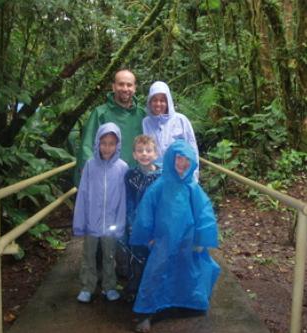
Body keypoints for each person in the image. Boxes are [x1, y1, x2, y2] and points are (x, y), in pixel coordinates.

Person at [129, 139, 221, 332]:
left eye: (186, 160)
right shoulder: (159, 186)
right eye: (178, 158)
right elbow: (146, 212)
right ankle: (146, 312)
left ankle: (186, 303)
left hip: (187, 240)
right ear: (171, 159)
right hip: (163, 240)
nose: (182, 163)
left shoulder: (192, 187)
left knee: (188, 270)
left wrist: (201, 240)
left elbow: (204, 213)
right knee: (156, 272)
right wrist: (147, 236)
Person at [73, 122, 128, 303]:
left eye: (112, 143)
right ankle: (87, 286)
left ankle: (109, 286)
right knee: (88, 256)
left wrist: (120, 224)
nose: (107, 147)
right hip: (92, 223)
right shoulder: (90, 165)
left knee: (109, 256)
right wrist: (81, 222)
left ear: (117, 145)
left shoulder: (122, 167)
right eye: (103, 143)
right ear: (97, 143)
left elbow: (123, 199)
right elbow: (82, 194)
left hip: (111, 225)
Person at [77, 69, 146, 174]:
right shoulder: (100, 113)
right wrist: (87, 169)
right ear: (113, 87)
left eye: (129, 85)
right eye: (121, 84)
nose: (125, 88)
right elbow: (87, 145)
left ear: (135, 88)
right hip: (106, 175)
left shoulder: (142, 114)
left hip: (135, 176)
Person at [122, 135, 162, 302]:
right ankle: (135, 288)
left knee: (154, 259)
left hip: (154, 226)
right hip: (137, 224)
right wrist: (131, 222)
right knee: (135, 256)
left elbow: (163, 204)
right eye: (140, 151)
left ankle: (154, 291)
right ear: (134, 154)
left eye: (148, 150)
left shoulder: (161, 177)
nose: (144, 154)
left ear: (156, 153)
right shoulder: (130, 175)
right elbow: (129, 200)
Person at [142, 81, 199, 179]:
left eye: (162, 100)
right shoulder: (146, 122)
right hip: (156, 177)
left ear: (168, 102)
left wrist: (193, 176)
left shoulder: (181, 120)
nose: (158, 104)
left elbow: (192, 149)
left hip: (180, 175)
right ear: (150, 102)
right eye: (154, 100)